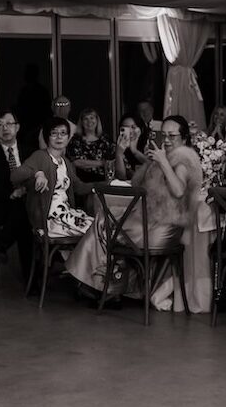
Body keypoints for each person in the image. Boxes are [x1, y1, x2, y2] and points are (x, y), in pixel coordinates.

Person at [67, 115, 204, 303]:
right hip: (152, 222)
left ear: (185, 138)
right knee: (106, 222)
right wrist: (144, 160)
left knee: (105, 224)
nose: (166, 140)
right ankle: (107, 286)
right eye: (163, 135)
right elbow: (135, 183)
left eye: (172, 136)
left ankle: (103, 287)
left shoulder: (183, 159)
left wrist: (162, 162)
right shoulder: (166, 157)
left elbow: (179, 191)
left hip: (166, 228)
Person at [12, 116, 93, 238]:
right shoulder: (40, 156)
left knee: (100, 227)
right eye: (54, 133)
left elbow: (79, 187)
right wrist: (38, 173)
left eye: (63, 133)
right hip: (49, 218)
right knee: (95, 230)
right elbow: (15, 175)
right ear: (47, 137)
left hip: (66, 213)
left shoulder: (65, 162)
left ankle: (78, 257)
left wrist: (104, 185)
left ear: (68, 137)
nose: (59, 137)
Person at [0, 109, 33, 277]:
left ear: (17, 127)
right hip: (0, 208)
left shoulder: (31, 152)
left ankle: (1, 245)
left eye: (9, 124)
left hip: (28, 205)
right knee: (24, 222)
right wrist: (12, 194)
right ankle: (32, 281)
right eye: (0, 125)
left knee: (24, 215)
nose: (5, 129)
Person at [66, 107, 115, 183]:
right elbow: (76, 162)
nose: (89, 121)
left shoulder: (105, 139)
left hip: (104, 179)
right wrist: (102, 163)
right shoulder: (76, 140)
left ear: (97, 120)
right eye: (86, 119)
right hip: (83, 181)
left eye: (92, 118)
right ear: (81, 122)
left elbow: (111, 161)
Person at [114, 113, 147, 180]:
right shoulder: (117, 147)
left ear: (141, 129)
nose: (130, 131)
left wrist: (135, 151)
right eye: (126, 127)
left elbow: (154, 167)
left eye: (133, 127)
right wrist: (119, 155)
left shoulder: (148, 144)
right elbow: (121, 177)